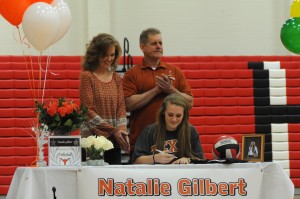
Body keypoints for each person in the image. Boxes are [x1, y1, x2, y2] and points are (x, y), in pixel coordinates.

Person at [122, 28, 194, 153]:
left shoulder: (175, 71)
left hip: (174, 139)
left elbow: (189, 103)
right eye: (154, 43)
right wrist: (157, 90)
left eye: (160, 43)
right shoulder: (132, 74)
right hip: (144, 139)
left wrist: (170, 89)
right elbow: (128, 104)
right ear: (142, 47)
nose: (158, 46)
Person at [79, 33, 130, 165]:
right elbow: (88, 110)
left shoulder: (117, 78)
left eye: (112, 55)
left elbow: (121, 108)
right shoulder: (87, 77)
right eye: (105, 55)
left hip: (114, 140)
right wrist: (114, 130)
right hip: (92, 141)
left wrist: (122, 132)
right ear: (96, 54)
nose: (109, 58)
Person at [132, 93, 204, 164]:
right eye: (170, 115)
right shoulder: (149, 131)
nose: (174, 119)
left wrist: (188, 159)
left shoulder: (191, 131)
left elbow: (201, 160)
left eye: (178, 116)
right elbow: (136, 161)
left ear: (184, 115)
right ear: (163, 112)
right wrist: (155, 158)